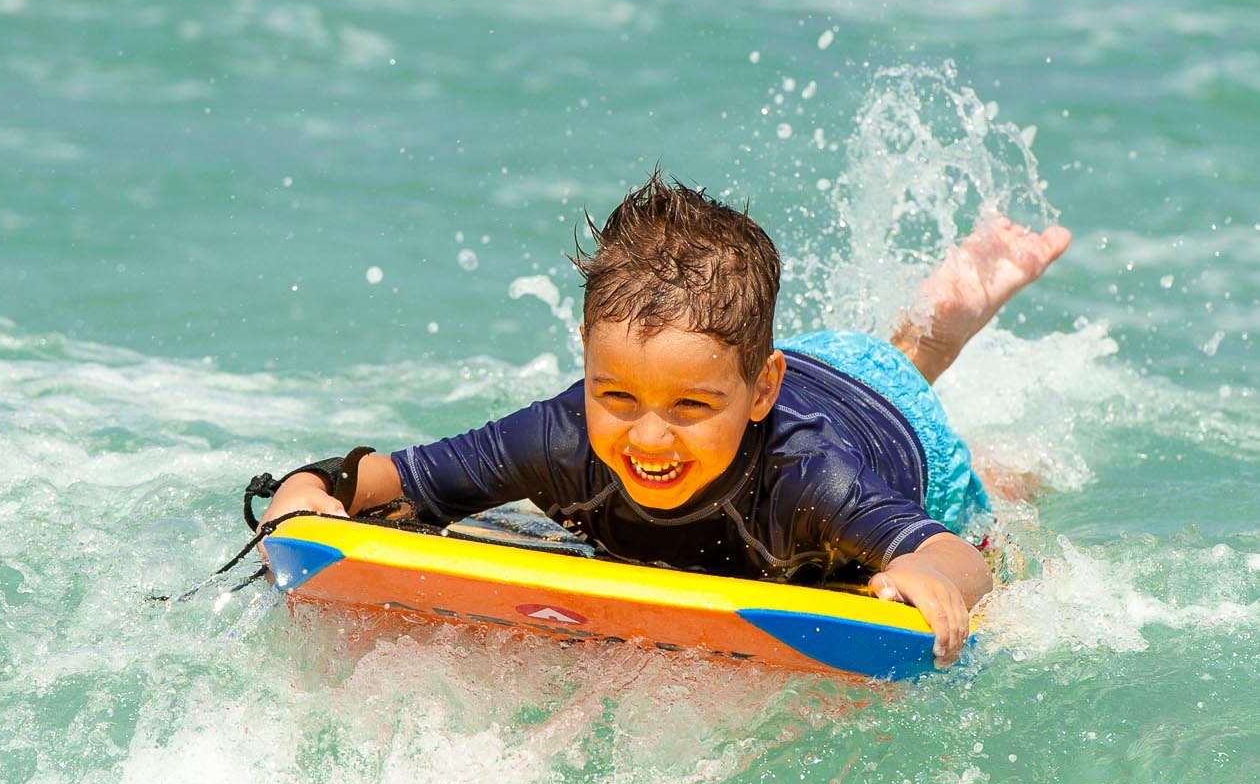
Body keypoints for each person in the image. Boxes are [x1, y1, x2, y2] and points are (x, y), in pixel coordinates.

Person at [258, 172, 1071, 667]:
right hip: (781, 367)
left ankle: (954, 346)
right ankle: (929, 323)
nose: (648, 437)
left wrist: (930, 577)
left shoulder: (808, 478)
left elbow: (950, 556)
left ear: (759, 387)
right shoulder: (562, 436)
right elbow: (385, 480)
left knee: (994, 496)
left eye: (688, 410)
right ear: (586, 357)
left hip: (888, 420)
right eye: (617, 398)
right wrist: (304, 491)